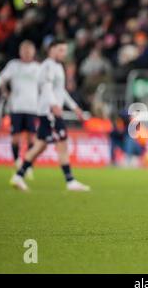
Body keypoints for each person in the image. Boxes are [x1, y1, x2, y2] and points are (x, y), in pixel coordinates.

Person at [10, 39, 90, 192]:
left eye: (65, 51)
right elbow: (46, 88)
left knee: (40, 146)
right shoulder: (48, 66)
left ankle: (18, 176)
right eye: (60, 50)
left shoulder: (57, 66)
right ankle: (70, 181)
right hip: (49, 112)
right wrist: (54, 105)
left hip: (48, 111)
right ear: (51, 50)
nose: (63, 53)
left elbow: (61, 90)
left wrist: (75, 107)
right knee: (62, 143)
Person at [0, 40, 40, 178]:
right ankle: (17, 162)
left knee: (32, 139)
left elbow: (46, 86)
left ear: (33, 52)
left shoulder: (38, 67)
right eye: (24, 50)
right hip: (16, 107)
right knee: (16, 138)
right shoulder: (13, 65)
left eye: (29, 50)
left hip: (33, 107)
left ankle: (29, 165)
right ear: (20, 52)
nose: (27, 53)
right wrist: (5, 92)